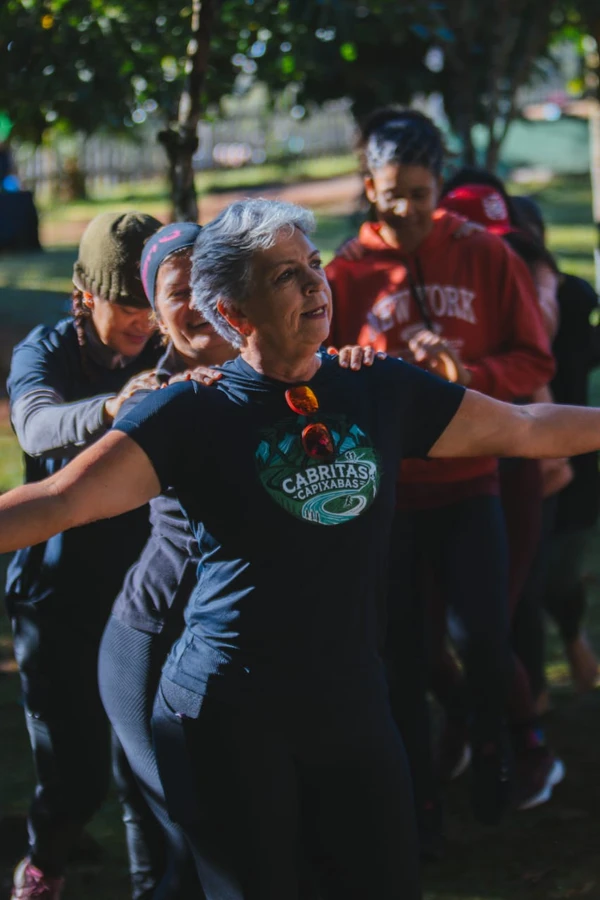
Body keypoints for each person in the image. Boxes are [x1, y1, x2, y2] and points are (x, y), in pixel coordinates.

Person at [2, 197, 600, 899]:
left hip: (350, 699)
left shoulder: (375, 388)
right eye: (285, 275)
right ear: (234, 312)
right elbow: (60, 500)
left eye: (313, 266)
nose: (316, 284)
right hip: (227, 712)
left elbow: (526, 429)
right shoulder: (190, 410)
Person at [97, 220, 377, 900]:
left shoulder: (283, 375)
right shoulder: (164, 398)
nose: (196, 301)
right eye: (177, 290)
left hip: (244, 654)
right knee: (191, 848)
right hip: (158, 632)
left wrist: (352, 369)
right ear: (156, 310)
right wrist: (113, 405)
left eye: (208, 285)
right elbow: (53, 484)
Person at [325, 108, 557, 828]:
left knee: (483, 638)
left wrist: (464, 376)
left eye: (420, 193)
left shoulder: (486, 257)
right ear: (369, 185)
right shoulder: (343, 273)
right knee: (401, 656)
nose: (405, 209)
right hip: (387, 498)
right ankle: (415, 800)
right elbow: (318, 381)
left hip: (471, 484)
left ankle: (494, 761)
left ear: (438, 187)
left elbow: (535, 359)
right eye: (391, 192)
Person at [6, 211, 166, 900]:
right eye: (128, 304)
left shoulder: (171, 349)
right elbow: (38, 422)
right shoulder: (44, 352)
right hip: (57, 594)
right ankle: (45, 864)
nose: (143, 321)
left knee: (148, 767)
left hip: (146, 591)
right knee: (73, 774)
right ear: (84, 295)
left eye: (151, 304)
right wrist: (111, 409)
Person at [511, 195, 600, 701]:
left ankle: (569, 637)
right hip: (516, 458)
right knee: (521, 582)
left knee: (556, 571)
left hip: (574, 461)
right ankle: (531, 694)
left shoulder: (573, 300)